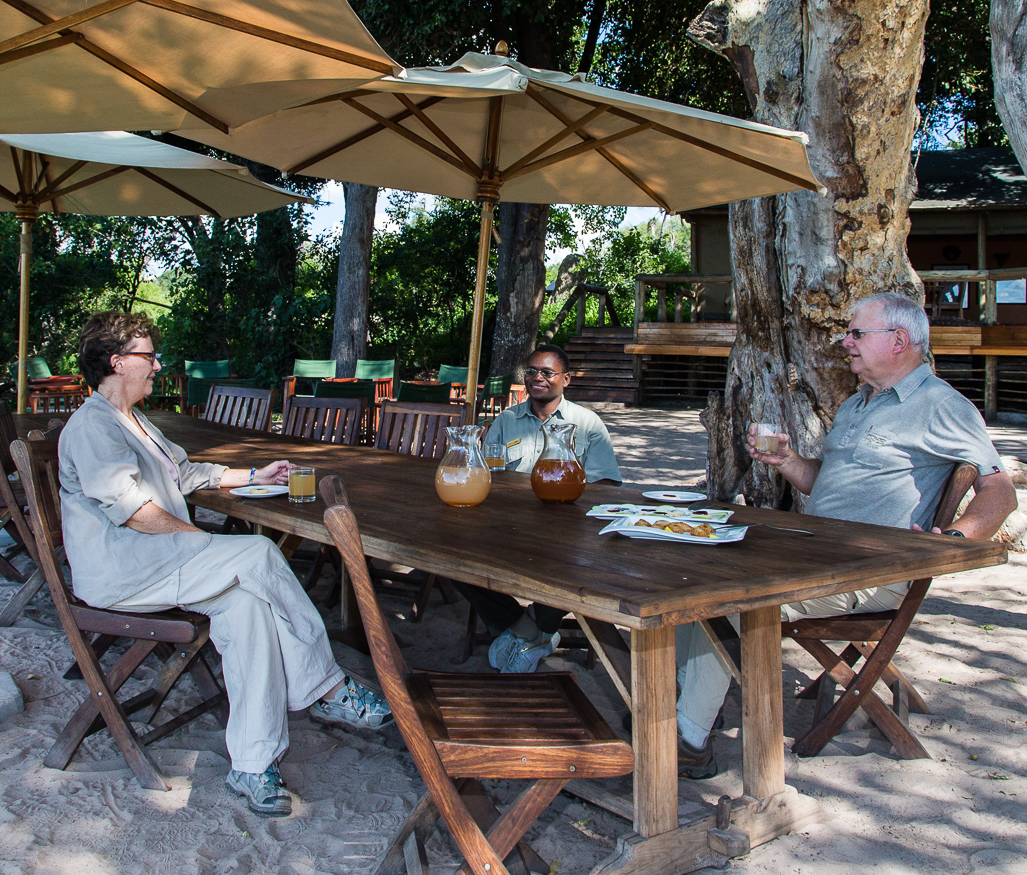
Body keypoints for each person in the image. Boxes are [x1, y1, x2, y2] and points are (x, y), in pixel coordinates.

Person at [57, 312, 391, 818]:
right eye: (149, 357)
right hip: (122, 571)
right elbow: (135, 512)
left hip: (160, 561)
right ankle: (328, 688)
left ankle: (253, 767)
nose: (157, 366)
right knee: (259, 553)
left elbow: (187, 474)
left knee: (246, 606)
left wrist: (255, 473)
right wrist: (199, 541)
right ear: (118, 362)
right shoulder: (91, 427)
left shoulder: (135, 420)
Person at [673, 292, 1018, 777]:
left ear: (899, 340)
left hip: (867, 571)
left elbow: (1001, 493)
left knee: (725, 599)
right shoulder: (858, 403)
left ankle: (687, 742)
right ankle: (683, 708)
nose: (845, 342)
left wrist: (955, 541)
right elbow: (829, 484)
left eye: (856, 333)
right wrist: (788, 462)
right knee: (691, 574)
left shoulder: (941, 405)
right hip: (811, 553)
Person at [455, 342, 623, 674]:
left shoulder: (587, 424)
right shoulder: (507, 420)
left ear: (566, 379)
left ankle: (534, 627)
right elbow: (487, 470)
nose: (538, 378)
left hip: (566, 532)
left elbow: (606, 486)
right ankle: (528, 630)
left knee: (571, 565)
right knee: (453, 552)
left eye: (547, 372)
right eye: (531, 371)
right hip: (510, 525)